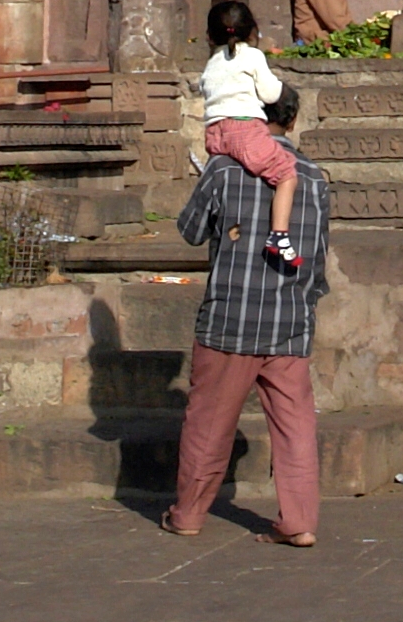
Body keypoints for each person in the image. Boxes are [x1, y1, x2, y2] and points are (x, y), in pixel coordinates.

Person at [166, 87, 332, 544]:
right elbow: (317, 257)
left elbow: (191, 231)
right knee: (295, 427)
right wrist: (305, 302)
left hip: (230, 317)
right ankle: (299, 522)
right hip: (289, 316)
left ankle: (189, 515)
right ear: (292, 121)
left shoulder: (223, 169)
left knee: (209, 424)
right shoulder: (313, 177)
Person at [197, 0, 303, 270]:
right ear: (253, 31)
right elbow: (270, 94)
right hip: (244, 129)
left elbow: (205, 89)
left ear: (210, 35)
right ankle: (279, 236)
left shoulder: (212, 62)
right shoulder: (253, 56)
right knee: (286, 174)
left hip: (214, 132)